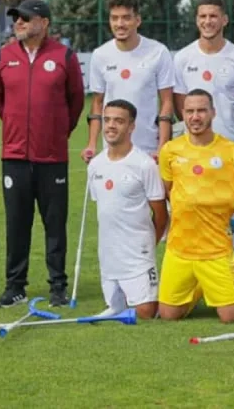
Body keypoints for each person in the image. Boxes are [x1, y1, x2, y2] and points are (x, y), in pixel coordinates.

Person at [0, 0, 85, 308]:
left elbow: (75, 103)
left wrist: (55, 133)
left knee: (54, 224)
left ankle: (58, 285)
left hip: (52, 158)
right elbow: (1, 100)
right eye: (16, 18)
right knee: (16, 224)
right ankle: (15, 286)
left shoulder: (64, 57)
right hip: (15, 157)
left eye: (25, 18)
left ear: (43, 23)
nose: (18, 23)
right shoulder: (3, 57)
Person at [157, 88, 234, 323]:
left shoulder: (230, 150)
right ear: (182, 114)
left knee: (233, 317)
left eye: (202, 110)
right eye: (190, 111)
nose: (195, 117)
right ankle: (201, 287)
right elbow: (169, 190)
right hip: (179, 248)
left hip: (216, 250)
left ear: (213, 113)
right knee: (168, 315)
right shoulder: (170, 150)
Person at [172, 0, 234, 248]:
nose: (208, 21)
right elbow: (179, 103)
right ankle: (194, 277)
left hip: (228, 148)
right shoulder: (183, 58)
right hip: (191, 150)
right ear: (197, 20)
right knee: (191, 213)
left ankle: (228, 274)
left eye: (213, 16)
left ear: (224, 19)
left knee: (228, 216)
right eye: (203, 16)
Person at [87, 99, 169, 320]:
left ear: (131, 126)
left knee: (145, 313)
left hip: (138, 252)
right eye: (108, 120)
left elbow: (161, 213)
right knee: (117, 308)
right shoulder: (95, 165)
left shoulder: (144, 165)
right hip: (109, 253)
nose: (111, 125)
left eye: (119, 121)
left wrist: (149, 242)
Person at [83, 0, 177, 163]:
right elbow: (97, 103)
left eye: (126, 18)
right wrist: (91, 144)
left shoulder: (158, 52)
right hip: (112, 149)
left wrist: (162, 146)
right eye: (114, 18)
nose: (120, 24)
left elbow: (167, 102)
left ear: (137, 20)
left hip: (149, 150)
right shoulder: (100, 55)